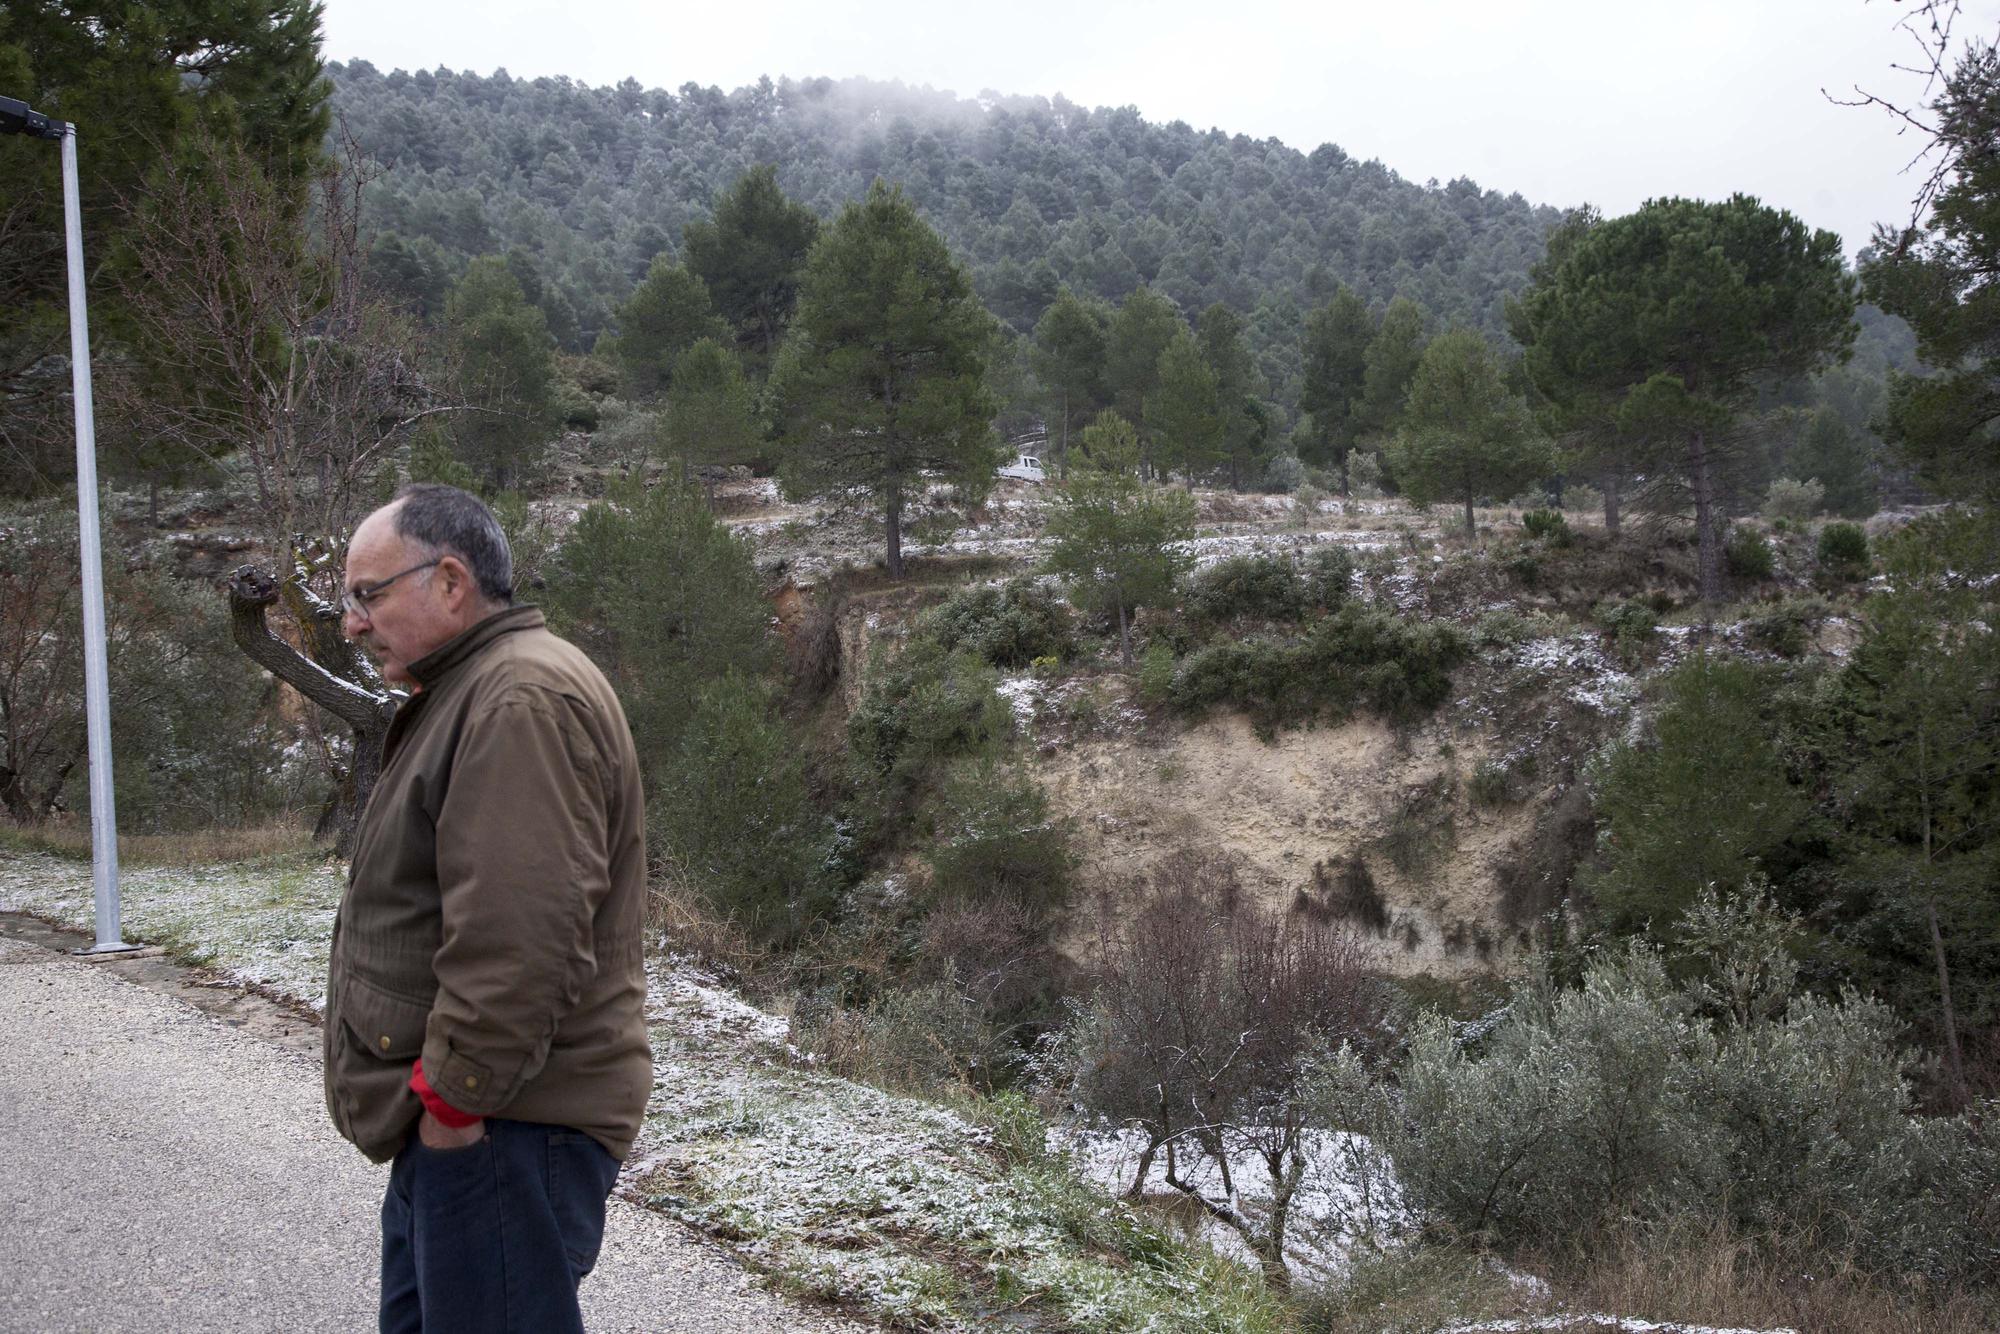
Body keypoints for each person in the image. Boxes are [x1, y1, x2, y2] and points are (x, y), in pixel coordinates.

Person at [326, 483, 650, 1334]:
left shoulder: (517, 700)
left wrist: (453, 1109)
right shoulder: (478, 688)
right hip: (481, 1120)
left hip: (504, 1125)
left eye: (369, 594)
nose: (353, 623)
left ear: (451, 581)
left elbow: (521, 938)